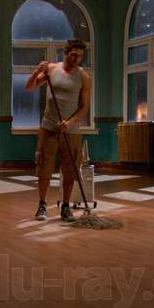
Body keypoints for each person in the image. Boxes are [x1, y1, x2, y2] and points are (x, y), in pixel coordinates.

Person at [25, 39, 92, 222]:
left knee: (70, 171)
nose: (77, 59)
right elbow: (29, 87)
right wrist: (37, 71)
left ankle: (65, 207)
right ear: (66, 52)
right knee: (44, 169)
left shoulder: (84, 77)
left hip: (71, 131)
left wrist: (69, 123)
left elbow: (84, 107)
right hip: (49, 128)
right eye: (73, 55)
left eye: (80, 56)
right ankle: (42, 205)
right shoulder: (51, 69)